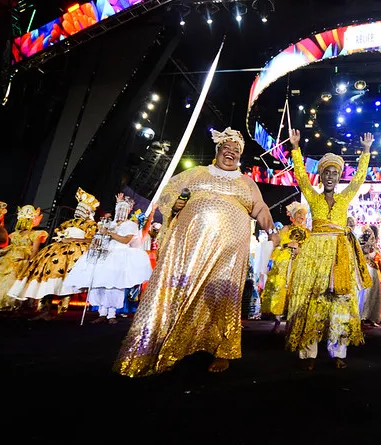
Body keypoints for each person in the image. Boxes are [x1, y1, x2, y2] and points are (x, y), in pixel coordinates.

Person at [114, 127, 279, 376]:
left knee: (223, 298)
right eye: (227, 149)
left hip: (229, 253)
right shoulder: (197, 173)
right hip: (190, 247)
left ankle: (222, 351)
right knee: (182, 291)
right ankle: (169, 346)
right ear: (217, 151)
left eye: (236, 151)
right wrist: (177, 203)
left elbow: (261, 209)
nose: (231, 154)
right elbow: (168, 193)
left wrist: (272, 231)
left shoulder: (247, 183)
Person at [284, 129, 374, 370]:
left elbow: (359, 179)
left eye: (335, 173)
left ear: (339, 176)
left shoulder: (345, 197)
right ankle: (309, 355)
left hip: (340, 254)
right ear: (321, 176)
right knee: (313, 301)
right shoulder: (313, 198)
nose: (331, 176)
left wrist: (366, 151)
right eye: (327, 173)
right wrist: (295, 147)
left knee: (340, 303)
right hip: (315, 255)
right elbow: (302, 177)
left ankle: (338, 353)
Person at [8, 187, 99, 319]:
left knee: (67, 278)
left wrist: (73, 239)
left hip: (76, 251)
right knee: (45, 272)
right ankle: (44, 308)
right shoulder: (69, 222)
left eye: (82, 209)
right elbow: (60, 232)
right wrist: (62, 238)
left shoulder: (91, 224)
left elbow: (92, 239)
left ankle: (62, 309)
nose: (79, 212)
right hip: (59, 249)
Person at [61, 194, 152, 324]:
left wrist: (109, 233)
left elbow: (126, 239)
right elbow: (98, 238)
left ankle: (111, 314)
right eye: (119, 208)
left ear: (128, 211)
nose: (121, 212)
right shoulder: (109, 224)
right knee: (100, 283)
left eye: (124, 209)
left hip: (119, 255)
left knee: (114, 284)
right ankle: (102, 312)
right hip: (105, 254)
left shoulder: (131, 225)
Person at [0, 205, 47, 315]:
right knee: (7, 278)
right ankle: (0, 304)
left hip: (16, 259)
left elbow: (32, 250)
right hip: (15, 259)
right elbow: (30, 250)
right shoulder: (24, 235)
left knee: (7, 278)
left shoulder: (26, 234)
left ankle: (1, 304)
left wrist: (30, 261)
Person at [261, 201, 309, 333]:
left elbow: (310, 248)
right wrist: (289, 245)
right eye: (299, 213)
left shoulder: (308, 232)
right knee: (280, 288)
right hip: (285, 262)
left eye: (303, 214)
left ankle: (293, 323)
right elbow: (280, 243)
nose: (301, 216)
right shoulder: (286, 229)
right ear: (293, 215)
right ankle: (277, 321)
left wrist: (301, 249)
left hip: (300, 263)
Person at [358, 224, 381, 327]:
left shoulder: (374, 247)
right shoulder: (361, 245)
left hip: (373, 271)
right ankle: (362, 318)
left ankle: (372, 317)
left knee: (374, 293)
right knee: (365, 294)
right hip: (366, 270)